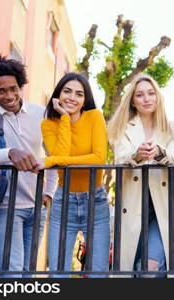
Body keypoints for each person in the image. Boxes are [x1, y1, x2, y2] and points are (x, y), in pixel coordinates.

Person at [0, 55, 58, 277]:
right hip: (5, 208)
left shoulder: (39, 113)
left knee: (27, 273)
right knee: (12, 273)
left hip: (37, 206)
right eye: (1, 91)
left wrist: (49, 193)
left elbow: (55, 155)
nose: (9, 96)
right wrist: (9, 153)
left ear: (20, 85)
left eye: (13, 88)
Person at [107, 74, 174, 277]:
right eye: (140, 95)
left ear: (158, 97)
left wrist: (159, 152)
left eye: (151, 93)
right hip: (133, 205)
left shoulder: (170, 127)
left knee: (150, 267)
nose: (147, 98)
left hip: (162, 207)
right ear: (133, 101)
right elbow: (120, 157)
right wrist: (138, 155)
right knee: (133, 268)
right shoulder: (124, 128)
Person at [39, 72, 110, 277]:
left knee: (98, 273)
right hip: (64, 203)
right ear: (58, 95)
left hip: (95, 201)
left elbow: (98, 158)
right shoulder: (48, 124)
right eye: (67, 91)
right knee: (58, 272)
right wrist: (64, 118)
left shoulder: (95, 116)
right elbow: (60, 156)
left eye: (79, 94)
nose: (72, 97)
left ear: (85, 99)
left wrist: (51, 161)